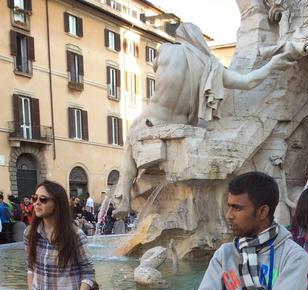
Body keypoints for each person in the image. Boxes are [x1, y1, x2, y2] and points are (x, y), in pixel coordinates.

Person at [113, 22, 293, 218]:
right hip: (181, 125)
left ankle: (124, 200)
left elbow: (157, 66)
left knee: (129, 143)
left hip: (153, 120)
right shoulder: (211, 66)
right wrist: (273, 64)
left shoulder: (166, 49)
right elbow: (248, 81)